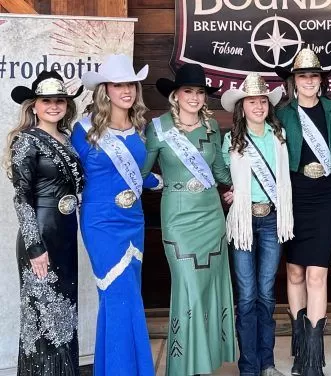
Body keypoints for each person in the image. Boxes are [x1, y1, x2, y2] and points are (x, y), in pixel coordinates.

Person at [141, 63, 236, 376]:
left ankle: (205, 363)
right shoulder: (158, 129)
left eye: (199, 92)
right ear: (175, 95)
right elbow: (140, 174)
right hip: (179, 221)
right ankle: (183, 366)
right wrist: (165, 183)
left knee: (209, 288)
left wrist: (242, 187)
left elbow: (220, 171)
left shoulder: (212, 128)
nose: (194, 97)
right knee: (189, 287)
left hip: (211, 219)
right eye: (188, 91)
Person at [71, 54, 161, 375]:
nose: (127, 90)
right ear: (105, 90)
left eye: (131, 84)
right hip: (101, 223)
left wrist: (160, 181)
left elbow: (138, 173)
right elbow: (70, 173)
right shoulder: (84, 130)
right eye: (118, 84)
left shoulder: (140, 128)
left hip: (132, 221)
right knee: (118, 294)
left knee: (125, 297)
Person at [6, 70, 84, 375]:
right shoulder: (26, 141)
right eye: (46, 100)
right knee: (43, 317)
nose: (54, 105)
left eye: (59, 100)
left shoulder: (68, 138)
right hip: (40, 234)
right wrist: (35, 246)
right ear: (34, 105)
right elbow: (21, 198)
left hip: (65, 231)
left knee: (65, 314)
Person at [274, 48, 331, 376]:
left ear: (321, 80)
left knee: (317, 273)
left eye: (314, 76)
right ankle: (299, 348)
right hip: (295, 194)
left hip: (326, 195)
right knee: (294, 273)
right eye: (303, 76)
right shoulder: (283, 113)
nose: (308, 81)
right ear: (294, 81)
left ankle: (314, 357)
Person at [220, 72, 292, 376]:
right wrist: (230, 190)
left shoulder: (279, 137)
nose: (258, 106)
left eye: (263, 100)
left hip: (272, 219)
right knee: (247, 295)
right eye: (252, 101)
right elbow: (221, 172)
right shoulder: (231, 140)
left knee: (266, 293)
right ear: (242, 106)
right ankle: (249, 366)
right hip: (243, 222)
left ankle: (268, 363)